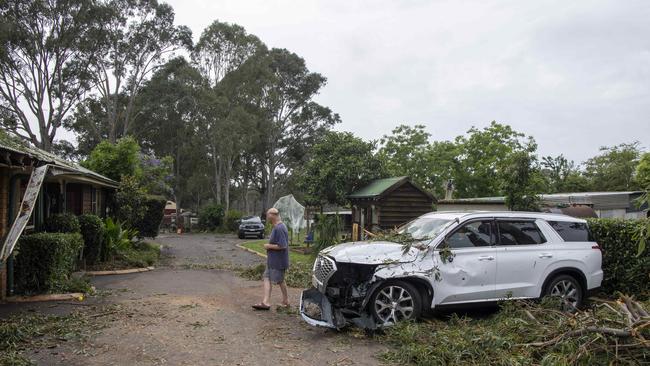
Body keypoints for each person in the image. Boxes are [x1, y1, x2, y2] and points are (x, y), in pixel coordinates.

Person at [252, 207, 289, 310]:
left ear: (273, 215)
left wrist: (268, 246)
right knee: (266, 277)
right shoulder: (276, 227)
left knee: (280, 281)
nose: (267, 217)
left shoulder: (279, 228)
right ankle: (266, 302)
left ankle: (286, 301)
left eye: (268, 215)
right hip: (272, 260)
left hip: (279, 261)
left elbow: (283, 245)